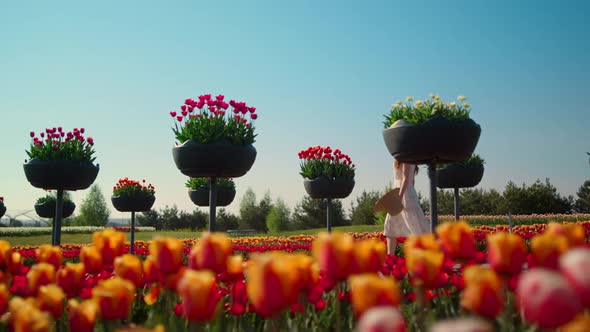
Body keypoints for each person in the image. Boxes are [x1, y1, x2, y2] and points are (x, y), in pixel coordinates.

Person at [383, 160, 430, 255]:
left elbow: (405, 179)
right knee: (392, 225)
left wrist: (399, 198)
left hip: (402, 194)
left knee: (412, 226)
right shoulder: (405, 157)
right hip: (405, 192)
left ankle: (423, 255)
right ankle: (390, 257)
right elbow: (412, 181)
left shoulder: (405, 157)